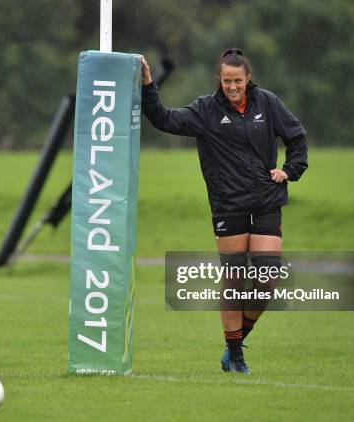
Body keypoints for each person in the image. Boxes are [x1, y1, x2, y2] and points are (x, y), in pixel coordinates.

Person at [141, 48, 308, 374]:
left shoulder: (268, 103)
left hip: (266, 201)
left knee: (267, 279)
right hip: (228, 206)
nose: (233, 87)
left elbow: (297, 136)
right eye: (227, 81)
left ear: (248, 79)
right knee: (234, 280)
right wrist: (149, 84)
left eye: (238, 81)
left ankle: (234, 342)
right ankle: (237, 355)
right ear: (219, 79)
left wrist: (290, 169)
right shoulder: (205, 109)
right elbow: (162, 118)